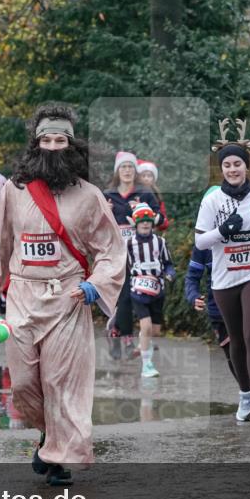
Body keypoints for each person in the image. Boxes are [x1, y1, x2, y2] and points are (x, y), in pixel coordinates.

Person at [0, 104, 125, 486]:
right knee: (23, 384)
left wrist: (96, 284)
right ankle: (48, 435)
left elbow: (112, 248)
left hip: (68, 299)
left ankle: (60, 458)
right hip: (22, 296)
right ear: (35, 144)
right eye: (46, 139)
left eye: (60, 140)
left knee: (62, 382)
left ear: (72, 146)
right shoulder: (13, 190)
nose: (53, 146)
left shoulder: (89, 196)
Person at [195, 120, 250, 424]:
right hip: (225, 277)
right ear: (221, 169)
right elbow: (200, 240)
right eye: (227, 164)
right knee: (236, 339)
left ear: (246, 167)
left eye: (237, 163)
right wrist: (222, 231)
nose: (232, 169)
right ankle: (244, 396)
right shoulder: (212, 199)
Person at [103, 151, 162, 360]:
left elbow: (160, 217)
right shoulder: (107, 195)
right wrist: (105, 212)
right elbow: (95, 223)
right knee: (124, 297)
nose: (127, 171)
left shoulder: (144, 193)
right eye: (123, 167)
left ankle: (116, 333)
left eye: (130, 167)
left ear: (135, 171)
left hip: (140, 254)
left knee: (132, 297)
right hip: (116, 254)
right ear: (117, 171)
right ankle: (123, 337)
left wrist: (146, 213)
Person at [184, 187, 237, 382]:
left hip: (242, 303)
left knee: (249, 344)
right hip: (218, 308)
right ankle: (246, 391)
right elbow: (192, 276)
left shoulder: (244, 235)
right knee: (232, 354)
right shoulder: (203, 245)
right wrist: (193, 295)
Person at [125, 203, 175, 378]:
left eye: (148, 221)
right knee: (146, 327)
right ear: (136, 224)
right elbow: (122, 267)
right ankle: (147, 366)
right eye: (142, 222)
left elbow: (168, 264)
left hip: (157, 290)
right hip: (137, 289)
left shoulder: (160, 242)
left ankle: (143, 340)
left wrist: (169, 274)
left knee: (155, 331)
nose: (145, 224)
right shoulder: (129, 244)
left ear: (152, 223)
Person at [136, 159, 170, 232]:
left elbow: (162, 214)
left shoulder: (156, 194)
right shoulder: (136, 193)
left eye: (149, 176)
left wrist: (161, 221)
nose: (146, 178)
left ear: (153, 178)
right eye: (143, 176)